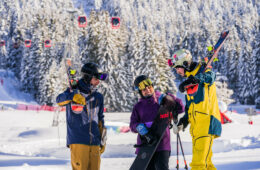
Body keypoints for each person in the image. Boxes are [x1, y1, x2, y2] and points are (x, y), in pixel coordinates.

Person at [169, 49, 222, 170]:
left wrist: (195, 79)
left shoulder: (203, 72)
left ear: (185, 63)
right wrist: (183, 122)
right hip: (197, 128)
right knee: (207, 164)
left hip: (207, 123)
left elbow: (211, 77)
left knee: (198, 165)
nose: (177, 71)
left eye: (178, 67)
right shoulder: (189, 80)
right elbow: (190, 108)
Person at [56, 62, 108, 170]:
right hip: (78, 140)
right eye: (96, 78)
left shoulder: (98, 97)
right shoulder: (73, 91)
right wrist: (72, 96)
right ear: (88, 77)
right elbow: (59, 100)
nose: (98, 81)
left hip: (95, 142)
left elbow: (100, 118)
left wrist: (102, 139)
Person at [130, 75, 184, 170]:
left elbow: (180, 108)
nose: (148, 90)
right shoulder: (138, 107)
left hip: (163, 144)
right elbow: (132, 125)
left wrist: (169, 97)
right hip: (146, 144)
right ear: (140, 92)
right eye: (144, 90)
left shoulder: (163, 100)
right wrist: (139, 127)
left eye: (149, 87)